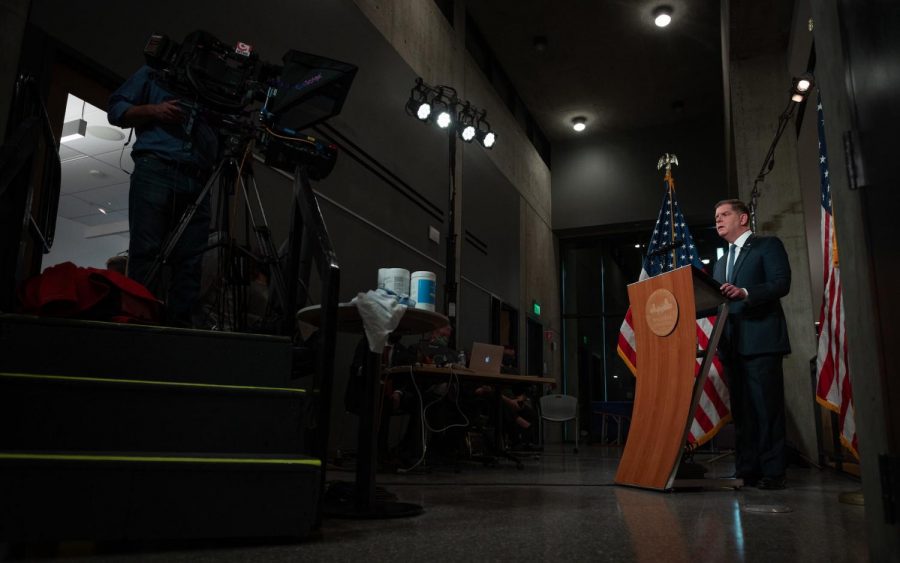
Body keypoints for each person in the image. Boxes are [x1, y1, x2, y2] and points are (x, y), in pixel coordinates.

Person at [108, 64, 219, 326]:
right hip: (157, 166)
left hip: (199, 178)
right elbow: (116, 110)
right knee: (146, 252)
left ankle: (178, 331)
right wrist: (153, 110)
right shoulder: (157, 72)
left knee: (191, 263)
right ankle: (140, 328)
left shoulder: (216, 92)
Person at [712, 199, 791, 490]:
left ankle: (774, 472)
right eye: (716, 216)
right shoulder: (720, 262)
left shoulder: (767, 246)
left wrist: (746, 292)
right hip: (732, 346)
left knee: (766, 408)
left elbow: (781, 283)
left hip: (761, 341)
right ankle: (747, 470)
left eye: (724, 214)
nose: (718, 220)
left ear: (743, 218)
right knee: (743, 413)